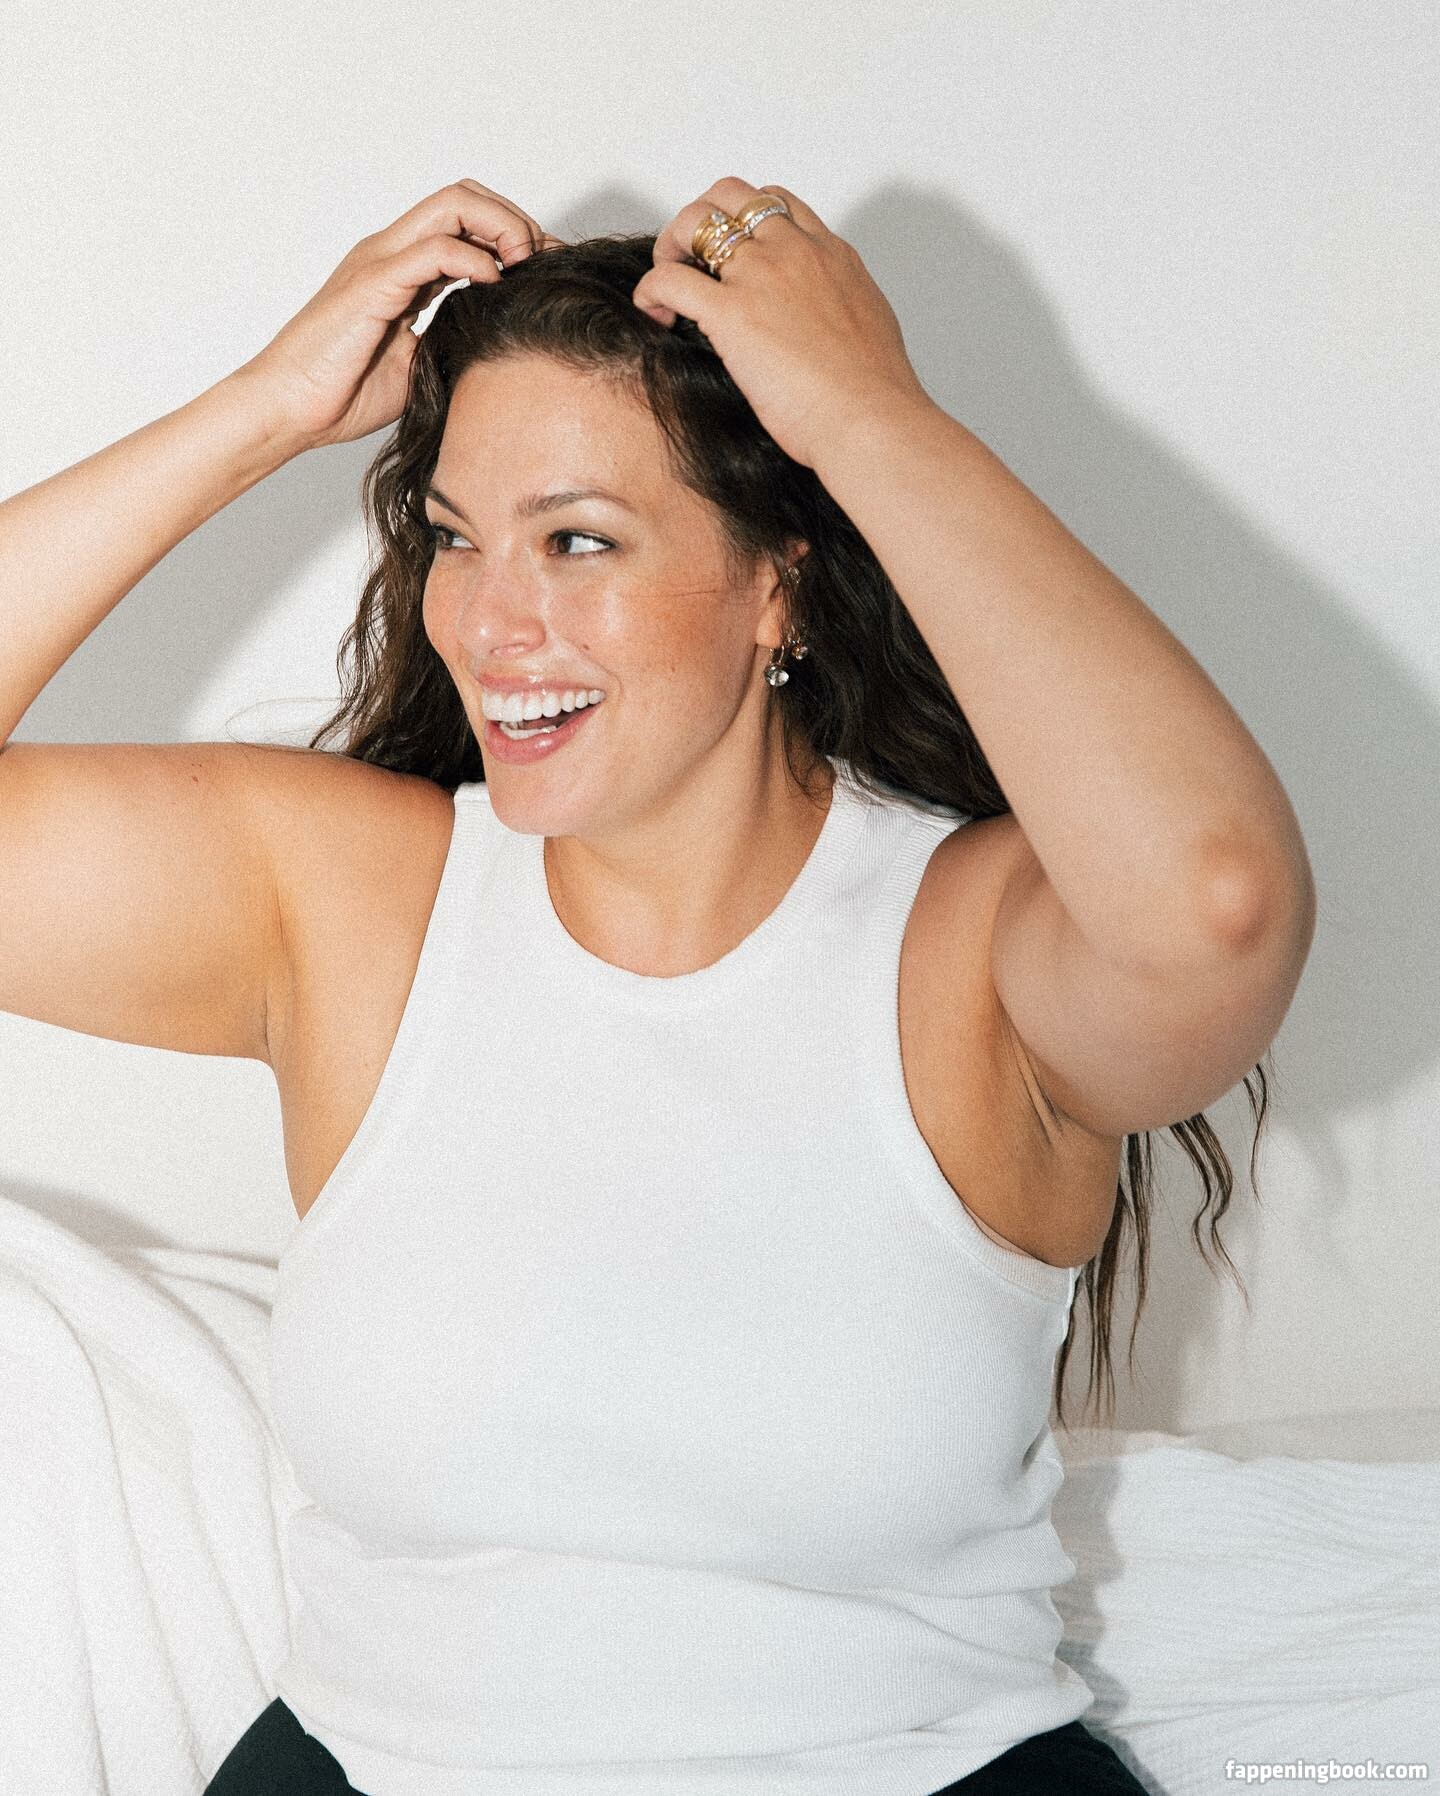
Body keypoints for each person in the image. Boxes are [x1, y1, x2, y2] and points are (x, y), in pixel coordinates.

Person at [0, 177, 1314, 1794]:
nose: (490, 619)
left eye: (578, 540)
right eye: (456, 538)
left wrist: (869, 414)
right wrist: (261, 410)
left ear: (777, 583)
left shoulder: (969, 947)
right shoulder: (354, 901)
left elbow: (1218, 903)